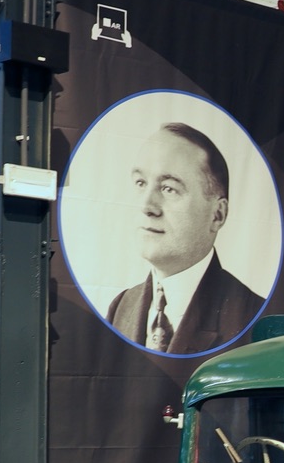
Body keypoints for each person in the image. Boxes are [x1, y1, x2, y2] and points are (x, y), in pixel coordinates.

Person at [106, 122, 263, 354]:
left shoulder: (254, 316)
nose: (147, 206)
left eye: (169, 188)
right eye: (141, 183)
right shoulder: (121, 306)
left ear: (217, 215)